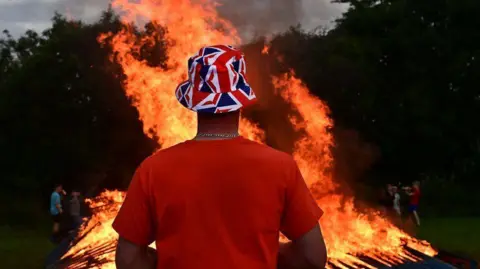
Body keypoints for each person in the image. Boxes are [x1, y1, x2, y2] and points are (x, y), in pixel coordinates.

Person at [112, 45, 328, 269]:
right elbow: (312, 258)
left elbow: (128, 260)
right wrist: (272, 252)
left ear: (194, 102)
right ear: (240, 101)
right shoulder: (281, 166)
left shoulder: (152, 169)